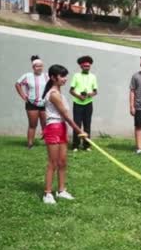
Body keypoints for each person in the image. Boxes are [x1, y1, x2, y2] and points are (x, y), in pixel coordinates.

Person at [40, 64, 88, 205]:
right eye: (62, 76)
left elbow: (64, 118)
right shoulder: (54, 94)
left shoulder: (59, 93)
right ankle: (47, 194)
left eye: (65, 76)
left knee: (63, 162)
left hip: (61, 127)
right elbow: (66, 115)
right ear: (53, 77)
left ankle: (61, 191)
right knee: (53, 163)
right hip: (54, 127)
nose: (65, 79)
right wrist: (80, 131)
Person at [15, 55, 49, 149]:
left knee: (45, 124)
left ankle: (48, 142)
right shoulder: (27, 76)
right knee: (33, 124)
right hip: (32, 104)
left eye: (41, 66)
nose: (39, 68)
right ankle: (30, 144)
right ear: (33, 67)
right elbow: (17, 84)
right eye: (37, 66)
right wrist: (23, 96)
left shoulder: (47, 76)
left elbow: (53, 86)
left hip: (44, 104)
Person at [69, 55, 98, 152]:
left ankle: (87, 145)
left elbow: (95, 91)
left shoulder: (93, 76)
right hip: (77, 103)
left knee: (87, 124)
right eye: (85, 66)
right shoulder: (76, 76)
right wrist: (79, 96)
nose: (87, 67)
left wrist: (89, 95)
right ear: (81, 66)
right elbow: (71, 90)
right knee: (77, 124)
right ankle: (75, 145)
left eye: (88, 66)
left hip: (88, 104)